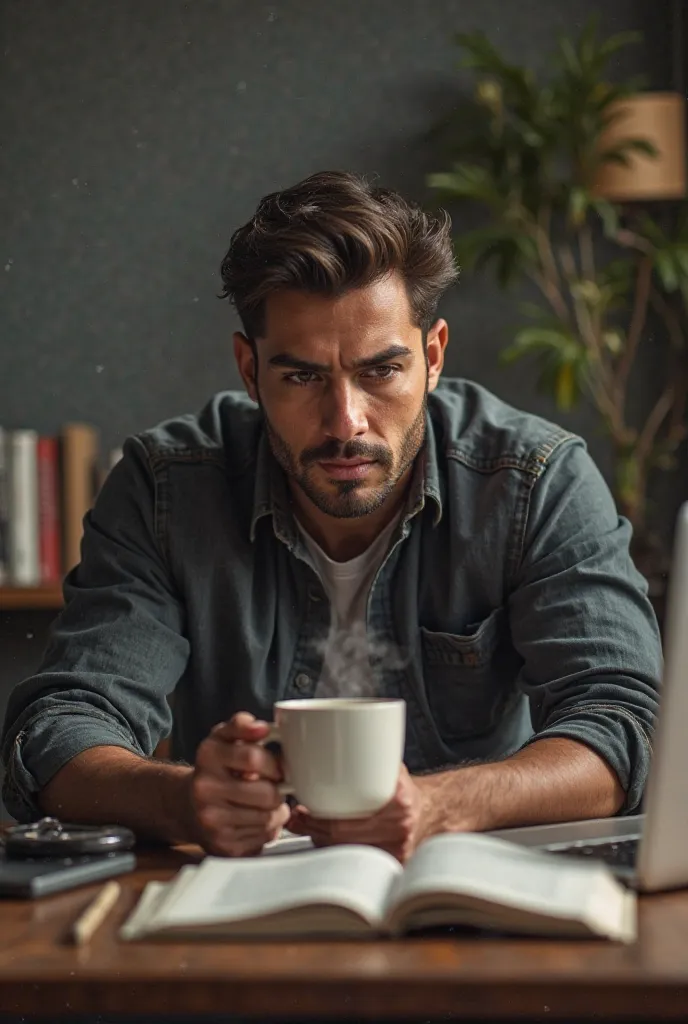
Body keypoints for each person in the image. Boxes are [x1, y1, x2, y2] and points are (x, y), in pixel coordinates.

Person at [1, 171, 661, 863]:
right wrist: (182, 798)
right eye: (303, 376)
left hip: (472, 891)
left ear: (432, 357)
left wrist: (441, 805)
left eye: (380, 371)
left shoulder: (534, 483)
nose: (346, 422)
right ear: (249, 370)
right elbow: (59, 730)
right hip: (240, 904)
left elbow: (622, 724)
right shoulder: (165, 490)